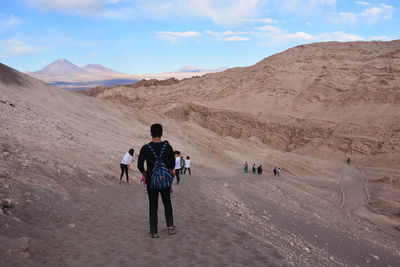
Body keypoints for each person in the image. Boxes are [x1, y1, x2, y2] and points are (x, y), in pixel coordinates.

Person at [137, 123, 176, 238]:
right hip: (164, 180)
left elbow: (140, 165)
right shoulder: (167, 147)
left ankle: (154, 231)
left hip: (152, 181)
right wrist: (167, 171)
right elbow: (172, 164)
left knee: (153, 205)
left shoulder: (145, 148)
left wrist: (146, 174)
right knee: (167, 202)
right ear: (162, 133)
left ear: (151, 133)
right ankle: (170, 227)